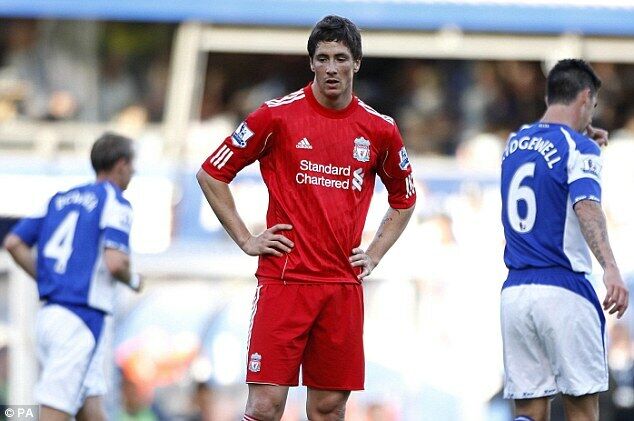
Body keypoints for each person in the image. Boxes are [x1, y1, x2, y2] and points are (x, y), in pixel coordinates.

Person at [196, 15, 416, 421]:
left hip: (340, 287)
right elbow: (211, 173)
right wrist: (247, 239)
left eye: (341, 58)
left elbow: (405, 198)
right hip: (285, 281)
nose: (332, 67)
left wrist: (376, 253)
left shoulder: (380, 130)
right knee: (264, 407)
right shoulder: (275, 117)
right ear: (311, 63)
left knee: (329, 408)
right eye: (323, 58)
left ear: (357, 63)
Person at [500, 59, 629, 421]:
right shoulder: (580, 149)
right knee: (583, 412)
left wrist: (583, 135)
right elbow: (586, 207)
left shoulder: (514, 143)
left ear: (548, 95)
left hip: (515, 293)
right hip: (564, 289)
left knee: (529, 412)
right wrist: (611, 268)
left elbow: (546, 164)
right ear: (586, 97)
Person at [3, 132, 142, 421]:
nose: (134, 171)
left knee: (90, 408)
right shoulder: (115, 201)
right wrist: (134, 280)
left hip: (50, 315)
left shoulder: (59, 199)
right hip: (79, 320)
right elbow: (115, 263)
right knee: (55, 410)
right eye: (132, 164)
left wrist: (47, 278)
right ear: (120, 164)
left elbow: (14, 243)